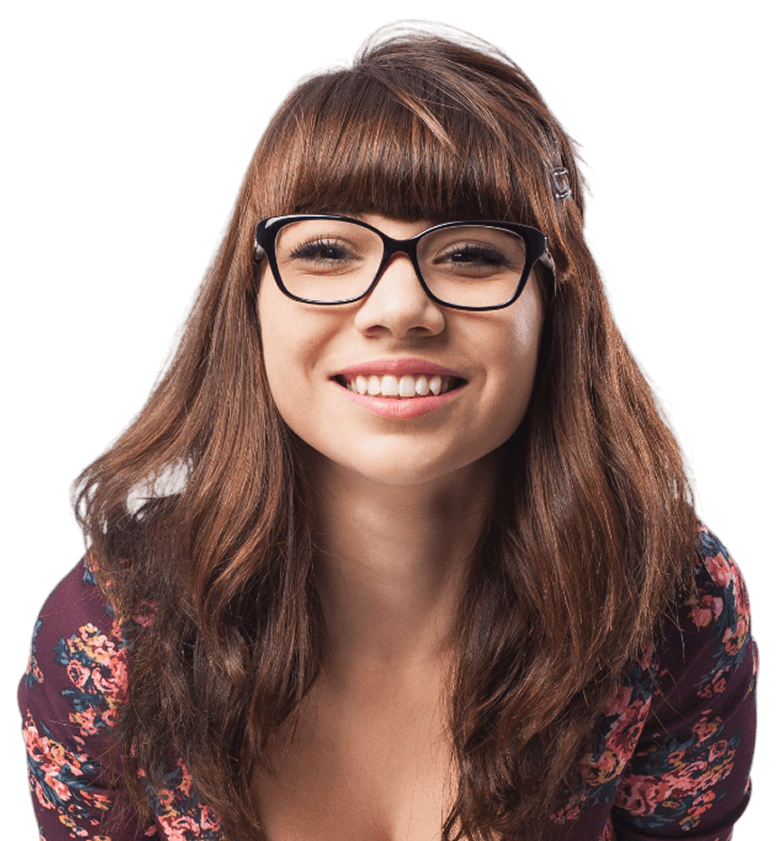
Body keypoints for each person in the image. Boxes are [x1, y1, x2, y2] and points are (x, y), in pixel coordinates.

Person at [18, 19, 757, 841]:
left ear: (558, 308)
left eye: (471, 254)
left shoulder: (673, 605)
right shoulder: (113, 637)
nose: (401, 308)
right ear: (249, 303)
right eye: (329, 249)